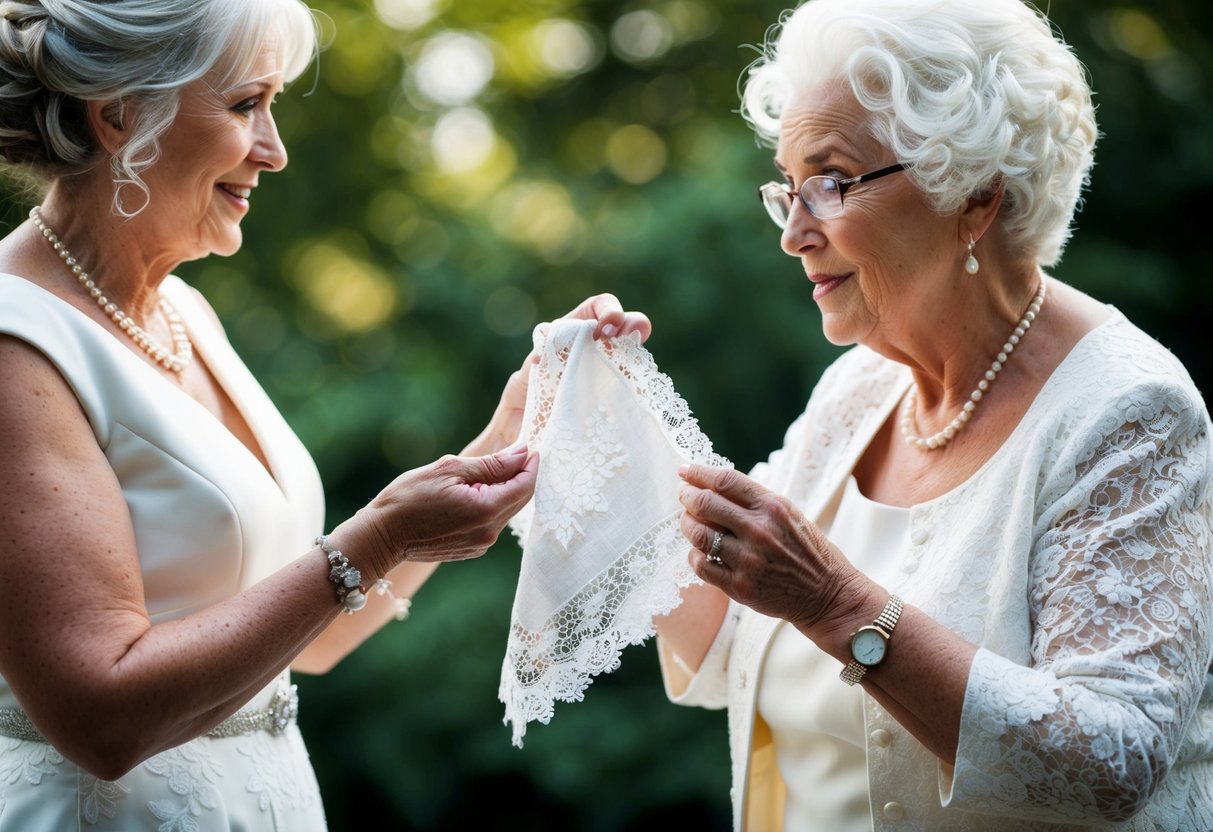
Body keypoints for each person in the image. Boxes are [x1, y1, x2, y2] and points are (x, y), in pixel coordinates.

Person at [0, 0, 648, 829]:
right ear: (121, 114)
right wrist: (375, 536)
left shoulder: (183, 313)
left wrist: (510, 434)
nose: (273, 150)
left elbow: (310, 639)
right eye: (245, 106)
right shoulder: (17, 344)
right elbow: (102, 714)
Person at [653, 0, 1213, 829]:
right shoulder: (855, 391)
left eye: (830, 182)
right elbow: (727, 636)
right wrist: (610, 421)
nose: (794, 233)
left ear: (974, 198)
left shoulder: (1128, 411)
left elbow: (1114, 756)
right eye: (788, 189)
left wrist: (833, 604)